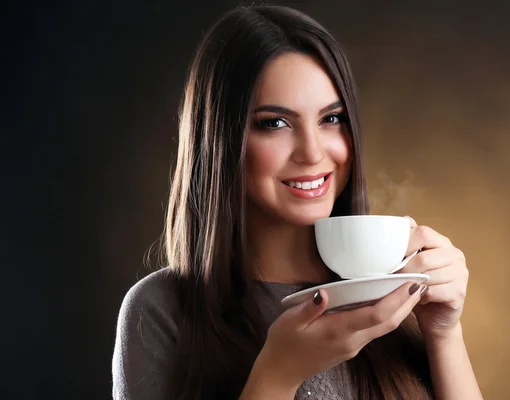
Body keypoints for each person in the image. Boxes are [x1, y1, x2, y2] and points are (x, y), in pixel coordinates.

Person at [112, 5, 483, 400]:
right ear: (220, 142)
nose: (312, 152)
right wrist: (279, 372)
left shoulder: (389, 293)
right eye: (275, 123)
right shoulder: (161, 311)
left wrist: (444, 332)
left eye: (331, 119)